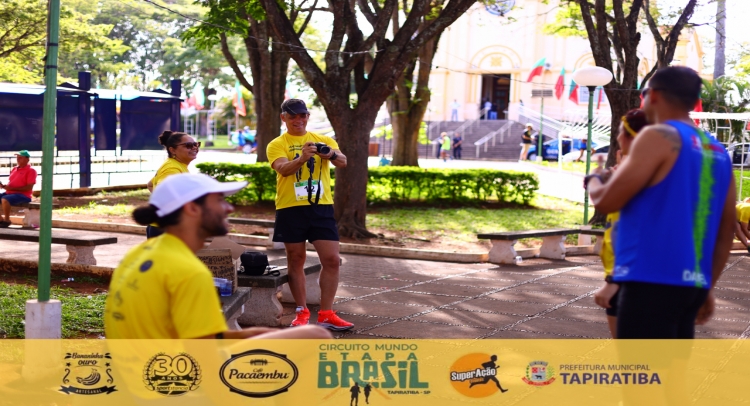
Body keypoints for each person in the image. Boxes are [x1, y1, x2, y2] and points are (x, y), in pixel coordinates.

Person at [587, 66, 735, 339]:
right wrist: (706, 287)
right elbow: (726, 230)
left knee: (644, 377)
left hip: (649, 282)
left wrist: (594, 180)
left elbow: (607, 201)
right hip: (691, 284)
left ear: (652, 95)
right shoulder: (717, 149)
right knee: (673, 377)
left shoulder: (658, 136)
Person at [104, 173, 331, 340]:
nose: (229, 208)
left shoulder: (141, 253)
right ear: (192, 208)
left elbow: (198, 337)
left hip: (136, 377)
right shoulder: (188, 272)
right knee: (315, 336)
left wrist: (253, 334)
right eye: (219, 200)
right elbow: (206, 358)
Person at [267, 99, 353, 331]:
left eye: (302, 115)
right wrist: (302, 158)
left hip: (320, 207)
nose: (298, 120)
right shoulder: (277, 143)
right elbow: (283, 169)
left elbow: (344, 161)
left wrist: (330, 155)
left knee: (332, 260)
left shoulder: (323, 139)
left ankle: (326, 313)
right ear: (283, 117)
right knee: (296, 260)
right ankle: (302, 312)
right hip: (290, 207)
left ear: (307, 117)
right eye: (293, 116)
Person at [592, 109, 649, 338]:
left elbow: (640, 233)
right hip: (629, 274)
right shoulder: (643, 173)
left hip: (631, 277)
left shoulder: (642, 178)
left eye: (619, 133)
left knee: (632, 356)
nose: (617, 138)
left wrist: (615, 280)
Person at [145, 131, 200, 239]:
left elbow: (150, 185)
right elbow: (165, 193)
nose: (194, 148)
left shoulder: (177, 166)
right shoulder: (172, 168)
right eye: (188, 145)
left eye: (196, 144)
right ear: (172, 150)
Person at [0, 150, 37, 228]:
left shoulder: (31, 171)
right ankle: (1, 220)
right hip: (9, 193)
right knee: (4, 197)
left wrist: (12, 188)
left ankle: (7, 220)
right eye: (17, 158)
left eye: (20, 157)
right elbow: (12, 182)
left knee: (5, 199)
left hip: (24, 195)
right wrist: (4, 186)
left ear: (27, 159)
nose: (18, 159)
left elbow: (29, 187)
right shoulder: (14, 169)